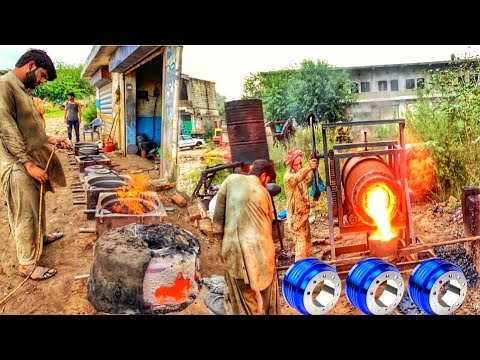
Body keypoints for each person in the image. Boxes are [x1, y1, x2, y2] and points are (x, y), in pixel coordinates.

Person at [0, 49, 71, 281]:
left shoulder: (23, 91)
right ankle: (27, 264)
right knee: (25, 213)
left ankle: (40, 237)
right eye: (42, 76)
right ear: (31, 65)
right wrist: (28, 165)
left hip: (28, 160)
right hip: (16, 164)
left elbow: (30, 129)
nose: (41, 82)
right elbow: (7, 130)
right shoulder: (4, 85)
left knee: (36, 203)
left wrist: (51, 139)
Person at [212, 159, 281, 315]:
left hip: (234, 252)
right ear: (263, 176)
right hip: (262, 254)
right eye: (267, 182)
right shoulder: (264, 193)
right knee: (271, 298)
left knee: (244, 302)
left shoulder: (230, 180)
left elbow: (217, 221)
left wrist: (222, 244)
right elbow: (268, 226)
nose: (266, 186)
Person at [283, 148, 318, 261]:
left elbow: (306, 181)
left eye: (301, 163)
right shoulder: (288, 178)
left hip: (304, 216)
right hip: (296, 218)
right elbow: (298, 177)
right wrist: (309, 167)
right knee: (301, 247)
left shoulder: (301, 176)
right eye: (297, 164)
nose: (299, 166)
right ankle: (300, 270)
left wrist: (310, 202)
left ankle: (306, 267)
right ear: (291, 166)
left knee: (307, 244)